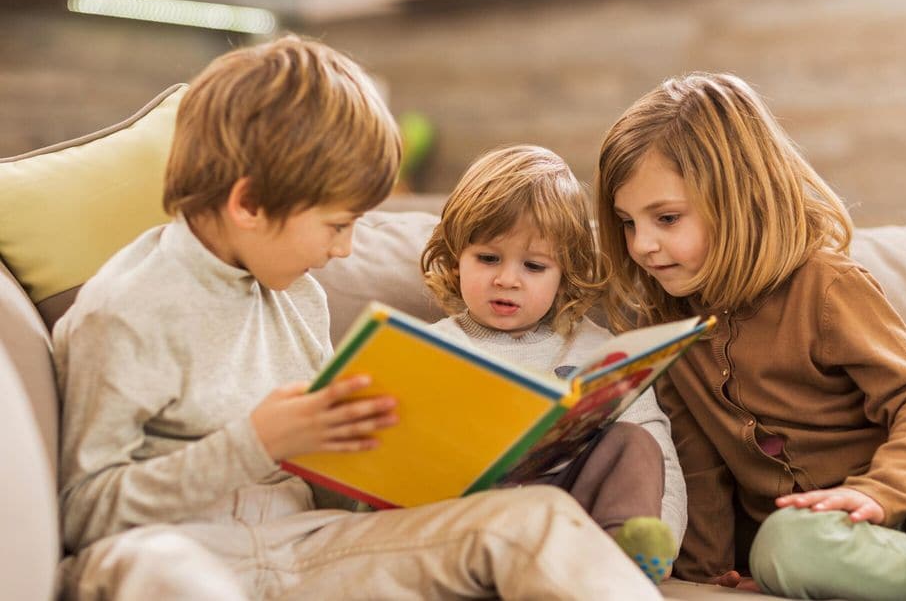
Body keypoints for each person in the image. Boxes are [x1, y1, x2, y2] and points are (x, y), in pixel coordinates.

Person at [53, 37, 664, 600]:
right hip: (179, 553)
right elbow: (84, 511)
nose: (343, 249)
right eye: (338, 226)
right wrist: (256, 444)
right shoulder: (124, 312)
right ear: (249, 204)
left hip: (309, 547)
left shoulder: (296, 295)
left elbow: (334, 485)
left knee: (536, 521)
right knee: (156, 569)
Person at [593, 71, 906, 599]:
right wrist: (706, 571)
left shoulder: (823, 286)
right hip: (827, 530)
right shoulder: (669, 333)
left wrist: (881, 491)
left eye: (665, 218)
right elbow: (699, 465)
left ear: (740, 199)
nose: (642, 245)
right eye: (627, 224)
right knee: (783, 548)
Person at [420, 144, 685, 582]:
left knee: (635, 441)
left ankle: (626, 557)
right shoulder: (429, 347)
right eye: (488, 258)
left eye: (534, 266)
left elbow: (659, 455)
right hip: (472, 518)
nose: (507, 279)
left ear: (566, 272)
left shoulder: (597, 350)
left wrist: (664, 538)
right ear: (455, 258)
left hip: (577, 522)